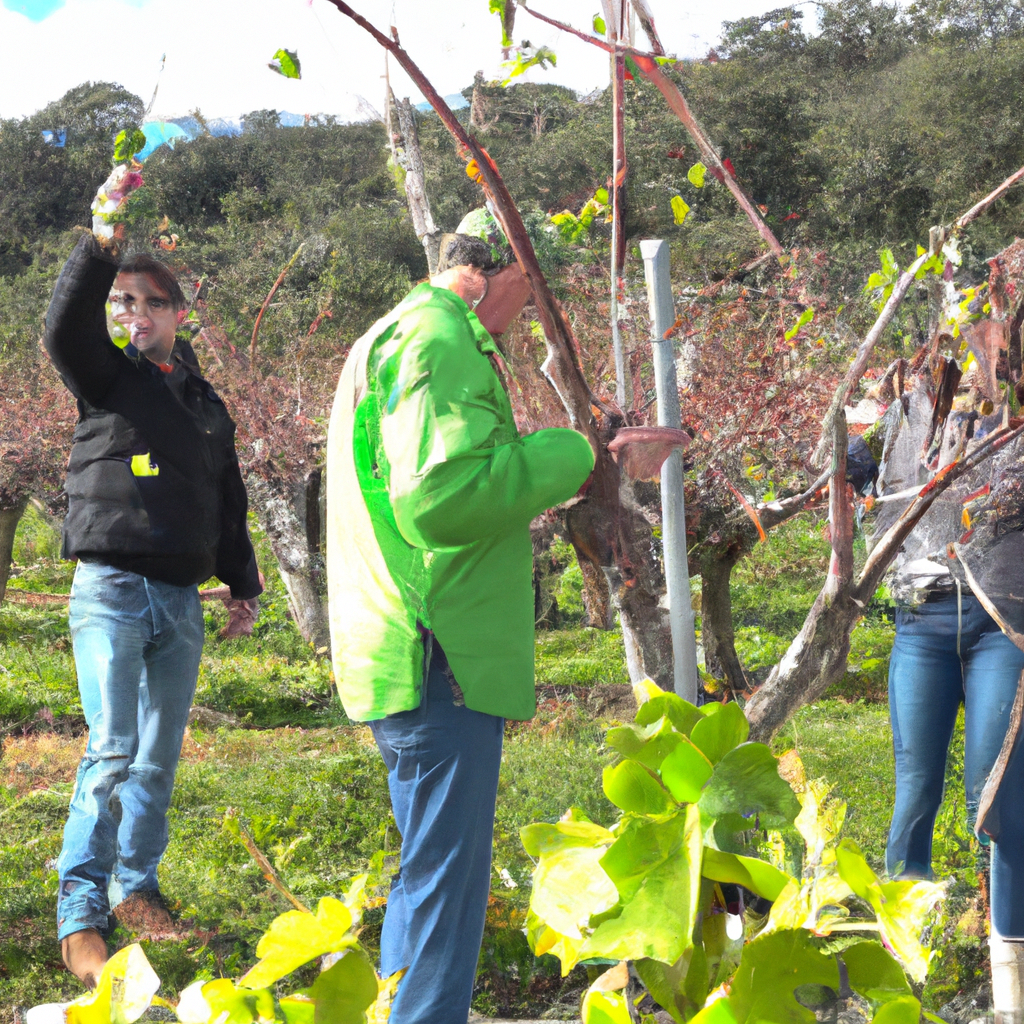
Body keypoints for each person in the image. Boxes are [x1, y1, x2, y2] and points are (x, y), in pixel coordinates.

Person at [325, 217, 595, 1024]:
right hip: (438, 649)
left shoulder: (395, 332)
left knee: (428, 870)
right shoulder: (439, 340)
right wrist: (576, 452)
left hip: (411, 641)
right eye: (530, 288)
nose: (533, 311)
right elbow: (442, 499)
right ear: (488, 273)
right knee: (446, 884)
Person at [44, 165, 262, 989]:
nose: (132, 313)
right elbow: (64, 331)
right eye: (121, 302)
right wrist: (103, 233)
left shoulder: (204, 401)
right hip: (109, 588)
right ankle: (80, 918)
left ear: (177, 313)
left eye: (147, 301)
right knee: (110, 750)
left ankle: (137, 891)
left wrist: (240, 584)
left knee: (157, 759)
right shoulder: (107, 378)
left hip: (179, 599)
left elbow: (226, 496)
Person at [866, 352, 1024, 1022]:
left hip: (1003, 623)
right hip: (922, 623)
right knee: (915, 790)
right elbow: (870, 483)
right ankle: (905, 967)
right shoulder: (910, 418)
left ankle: (1009, 986)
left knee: (998, 794)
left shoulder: (1014, 423)